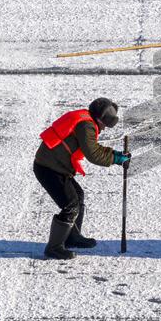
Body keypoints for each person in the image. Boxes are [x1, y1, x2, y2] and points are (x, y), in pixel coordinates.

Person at [34, 97, 130, 260]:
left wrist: (115, 154)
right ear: (99, 119)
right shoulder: (86, 126)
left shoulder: (86, 118)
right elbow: (93, 154)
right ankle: (54, 248)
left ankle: (72, 237)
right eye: (105, 125)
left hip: (57, 166)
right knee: (71, 205)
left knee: (78, 196)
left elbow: (94, 148)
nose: (104, 129)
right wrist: (115, 159)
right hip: (48, 168)